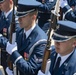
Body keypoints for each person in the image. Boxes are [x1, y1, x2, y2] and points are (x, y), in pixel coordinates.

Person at [3, 0, 47, 75]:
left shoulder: (41, 41)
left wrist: (13, 53)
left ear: (33, 17)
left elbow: (30, 70)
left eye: (23, 16)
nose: (19, 19)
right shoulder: (20, 32)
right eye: (19, 15)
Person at [0, 0, 20, 74]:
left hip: (10, 56)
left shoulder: (16, 19)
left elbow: (12, 43)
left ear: (10, 2)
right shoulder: (3, 14)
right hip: (3, 53)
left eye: (2, 2)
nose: (0, 5)